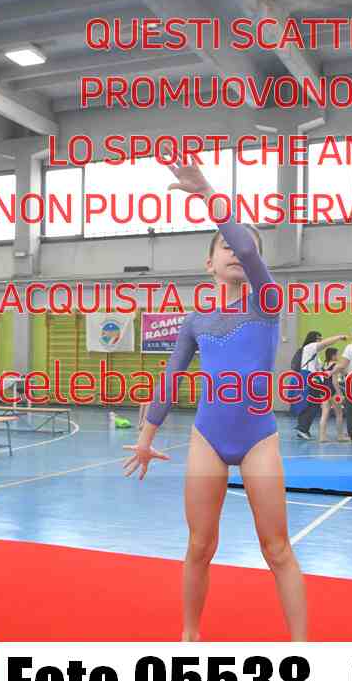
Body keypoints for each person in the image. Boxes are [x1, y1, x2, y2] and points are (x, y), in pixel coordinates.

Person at [123, 151, 307, 642]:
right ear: (209, 262)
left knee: (277, 549)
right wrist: (146, 438)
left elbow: (246, 245)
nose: (236, 251)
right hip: (207, 437)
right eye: (224, 246)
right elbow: (170, 378)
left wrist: (207, 193)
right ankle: (190, 635)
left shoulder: (267, 304)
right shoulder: (195, 320)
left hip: (258, 438)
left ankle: (302, 647)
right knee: (200, 546)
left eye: (244, 248)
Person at [294, 330, 348, 440]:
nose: (321, 340)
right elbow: (326, 344)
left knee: (314, 405)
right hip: (309, 377)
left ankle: (306, 429)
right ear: (314, 339)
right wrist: (339, 337)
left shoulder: (314, 356)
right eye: (319, 338)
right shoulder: (310, 347)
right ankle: (303, 428)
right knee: (312, 404)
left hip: (313, 379)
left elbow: (321, 370)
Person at [318, 348, 350, 443]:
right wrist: (340, 394)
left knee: (324, 414)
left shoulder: (323, 365)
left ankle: (322, 437)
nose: (338, 356)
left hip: (324, 390)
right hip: (333, 390)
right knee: (339, 414)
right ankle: (340, 436)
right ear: (332, 356)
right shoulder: (336, 365)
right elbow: (334, 382)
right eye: (337, 354)